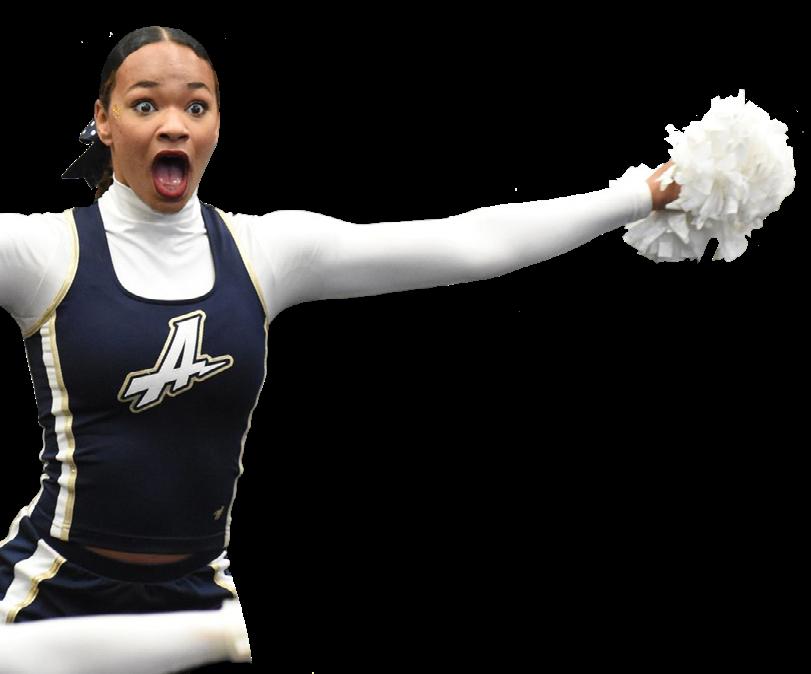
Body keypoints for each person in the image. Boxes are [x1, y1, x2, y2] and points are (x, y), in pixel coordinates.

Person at [0, 24, 680, 674]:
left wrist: (636, 196)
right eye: (145, 104)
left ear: (216, 124)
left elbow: (471, 242)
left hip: (199, 602)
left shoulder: (266, 252)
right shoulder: (44, 251)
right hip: (52, 594)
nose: (174, 124)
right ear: (105, 120)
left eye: (196, 106)